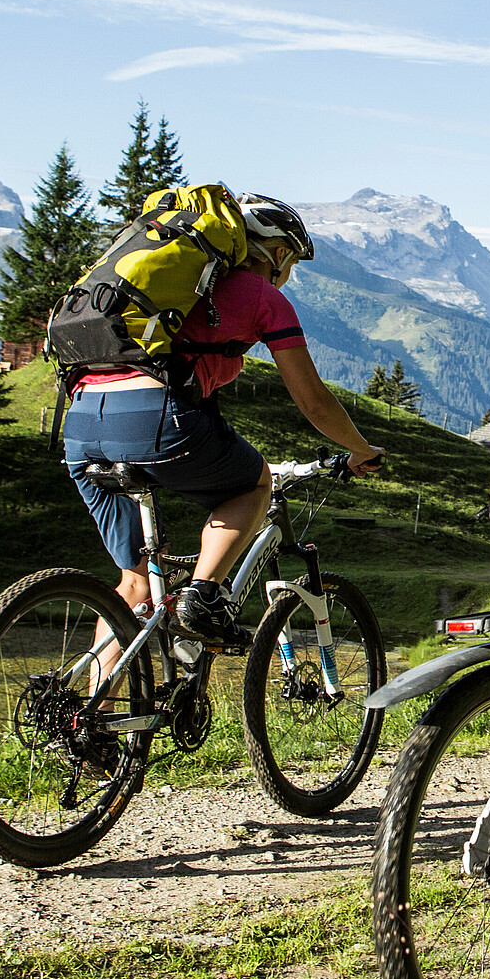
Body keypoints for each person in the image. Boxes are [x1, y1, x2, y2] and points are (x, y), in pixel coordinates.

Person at [64, 196, 384, 654]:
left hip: (81, 423)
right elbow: (313, 400)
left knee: (135, 584)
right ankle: (202, 595)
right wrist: (359, 448)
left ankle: (86, 715)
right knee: (253, 485)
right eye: (291, 261)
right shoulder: (261, 297)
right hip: (154, 419)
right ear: (277, 254)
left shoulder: (179, 289)